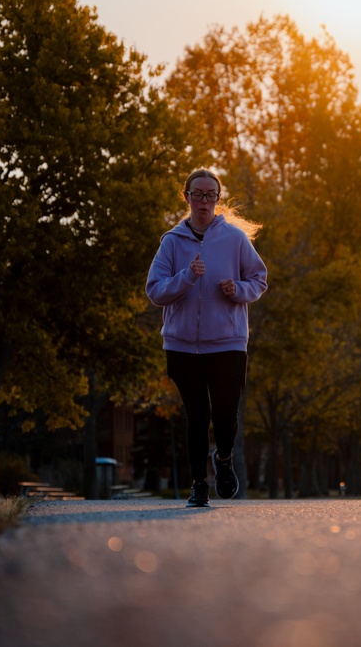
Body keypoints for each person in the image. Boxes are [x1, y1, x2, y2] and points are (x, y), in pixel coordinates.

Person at [146, 168, 267, 507]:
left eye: (209, 194)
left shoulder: (234, 240)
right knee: (197, 416)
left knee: (226, 416)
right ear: (186, 197)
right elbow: (155, 290)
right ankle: (199, 484)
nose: (203, 200)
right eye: (196, 194)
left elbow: (259, 279)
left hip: (228, 343)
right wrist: (186, 277)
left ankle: (224, 459)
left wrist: (238, 289)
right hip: (182, 346)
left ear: (217, 198)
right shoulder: (171, 242)